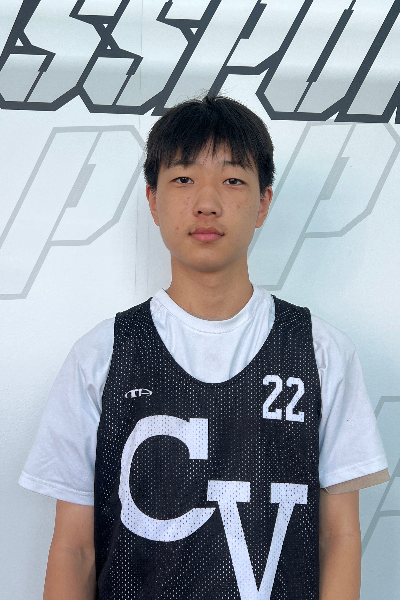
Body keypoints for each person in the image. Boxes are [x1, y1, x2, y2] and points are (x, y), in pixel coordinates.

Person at [19, 94, 389, 600]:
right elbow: (74, 549)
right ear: (153, 200)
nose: (207, 202)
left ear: (263, 203)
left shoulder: (321, 353)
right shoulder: (101, 357)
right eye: (183, 179)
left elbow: (338, 536)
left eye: (232, 180)